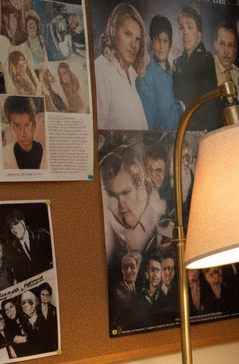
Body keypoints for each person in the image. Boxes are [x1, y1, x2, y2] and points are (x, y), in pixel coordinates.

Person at [101, 136, 165, 268]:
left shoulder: (162, 213)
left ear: (139, 178)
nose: (121, 204)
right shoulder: (110, 239)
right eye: (112, 195)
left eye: (126, 192)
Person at [95, 2, 148, 130]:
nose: (133, 45)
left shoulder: (131, 74)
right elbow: (98, 136)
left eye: (138, 39)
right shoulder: (100, 70)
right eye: (127, 34)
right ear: (113, 32)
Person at [172, 5, 217, 131]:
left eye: (190, 27)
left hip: (202, 129)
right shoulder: (179, 62)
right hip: (184, 126)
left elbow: (207, 106)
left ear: (199, 34)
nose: (185, 32)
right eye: (182, 27)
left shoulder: (206, 59)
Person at [136, 14, 183, 131]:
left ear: (170, 43)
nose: (161, 46)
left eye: (165, 41)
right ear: (152, 41)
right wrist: (181, 108)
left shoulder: (173, 72)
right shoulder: (146, 77)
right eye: (157, 40)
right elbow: (150, 126)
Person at [6, 208, 54, 277]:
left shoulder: (41, 235)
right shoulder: (14, 247)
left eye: (16, 224)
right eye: (11, 227)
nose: (14, 230)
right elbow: (19, 274)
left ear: (23, 222)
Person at [4, 95, 44, 169]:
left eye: (27, 126)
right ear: (11, 127)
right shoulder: (7, 156)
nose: (23, 134)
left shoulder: (42, 150)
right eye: (17, 126)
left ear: (34, 126)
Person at [212, 20, 239, 122]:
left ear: (236, 47)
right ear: (215, 44)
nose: (226, 51)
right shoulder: (208, 69)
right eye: (222, 44)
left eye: (231, 45)